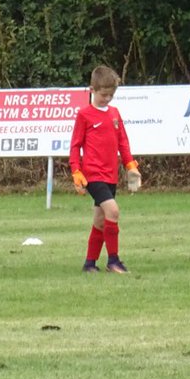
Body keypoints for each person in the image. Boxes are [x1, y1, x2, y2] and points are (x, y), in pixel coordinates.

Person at [69, 65, 140, 274]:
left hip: (111, 175)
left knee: (100, 220)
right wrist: (76, 171)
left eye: (111, 95)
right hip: (93, 174)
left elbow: (123, 143)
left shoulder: (115, 114)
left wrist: (130, 166)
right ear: (92, 89)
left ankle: (89, 264)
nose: (107, 99)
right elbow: (75, 146)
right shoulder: (84, 115)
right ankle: (114, 261)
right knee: (113, 211)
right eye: (103, 95)